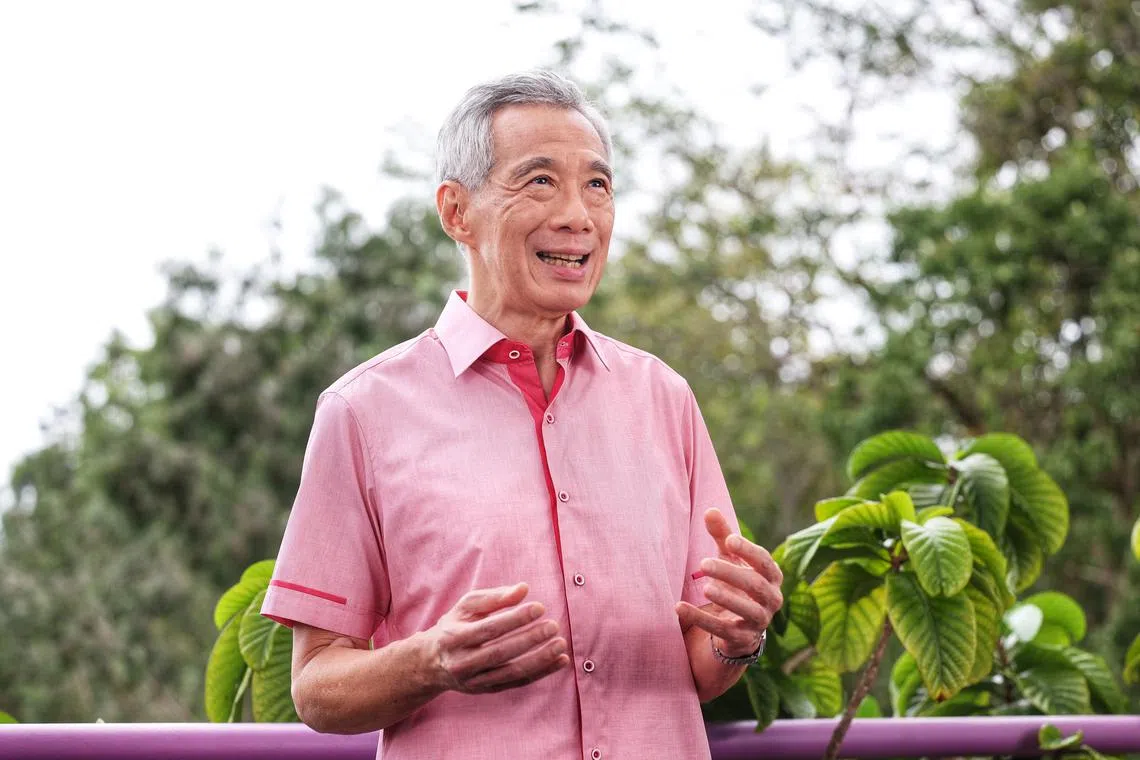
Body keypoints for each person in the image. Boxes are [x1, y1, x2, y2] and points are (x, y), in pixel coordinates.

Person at [261, 70, 784, 760]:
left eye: (597, 185)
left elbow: (698, 667)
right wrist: (430, 661)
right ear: (456, 211)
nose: (578, 215)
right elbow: (317, 689)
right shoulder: (362, 412)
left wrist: (737, 636)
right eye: (540, 181)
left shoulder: (665, 398)